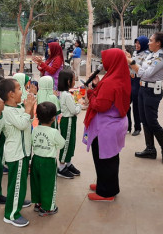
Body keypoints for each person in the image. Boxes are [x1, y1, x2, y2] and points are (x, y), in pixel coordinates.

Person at [83, 48, 131, 202]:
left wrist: (90, 93)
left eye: (105, 60)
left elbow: (101, 105)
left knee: (105, 159)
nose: (103, 63)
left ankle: (106, 192)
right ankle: (104, 184)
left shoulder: (111, 81)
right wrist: (97, 86)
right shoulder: (119, 76)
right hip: (113, 124)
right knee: (108, 158)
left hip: (106, 127)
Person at [0, 78, 35, 227]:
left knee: (20, 182)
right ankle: (11, 214)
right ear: (11, 94)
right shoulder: (8, 111)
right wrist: (27, 109)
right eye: (20, 89)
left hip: (23, 151)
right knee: (16, 184)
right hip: (16, 153)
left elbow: (28, 121)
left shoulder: (19, 107)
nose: (23, 91)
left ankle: (17, 202)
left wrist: (29, 109)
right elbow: (21, 124)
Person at [130, 32, 163, 164]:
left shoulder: (160, 57)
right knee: (144, 120)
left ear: (158, 43)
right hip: (143, 89)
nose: (148, 42)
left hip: (152, 91)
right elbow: (141, 70)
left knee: (152, 121)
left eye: (151, 40)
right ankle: (150, 149)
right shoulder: (151, 55)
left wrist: (131, 63)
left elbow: (145, 73)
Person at [31, 102, 65, 216]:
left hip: (36, 159)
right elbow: (62, 144)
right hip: (48, 161)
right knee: (48, 184)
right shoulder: (54, 132)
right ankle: (48, 208)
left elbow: (32, 142)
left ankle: (38, 203)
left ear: (37, 116)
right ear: (53, 118)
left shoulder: (35, 129)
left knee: (36, 182)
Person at [57, 69, 82, 179]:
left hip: (70, 121)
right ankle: (61, 167)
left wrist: (76, 105)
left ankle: (68, 163)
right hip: (68, 121)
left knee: (71, 142)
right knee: (66, 143)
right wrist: (79, 105)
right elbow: (74, 111)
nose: (74, 81)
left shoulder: (66, 94)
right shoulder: (66, 95)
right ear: (68, 81)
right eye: (73, 79)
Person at [126, 36, 150, 136]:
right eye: (136, 43)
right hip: (130, 79)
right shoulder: (135, 53)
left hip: (138, 80)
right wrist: (127, 58)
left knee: (136, 105)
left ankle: (137, 127)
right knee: (126, 103)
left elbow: (139, 68)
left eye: (139, 43)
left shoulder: (147, 55)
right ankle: (128, 126)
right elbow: (130, 66)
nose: (137, 45)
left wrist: (130, 60)